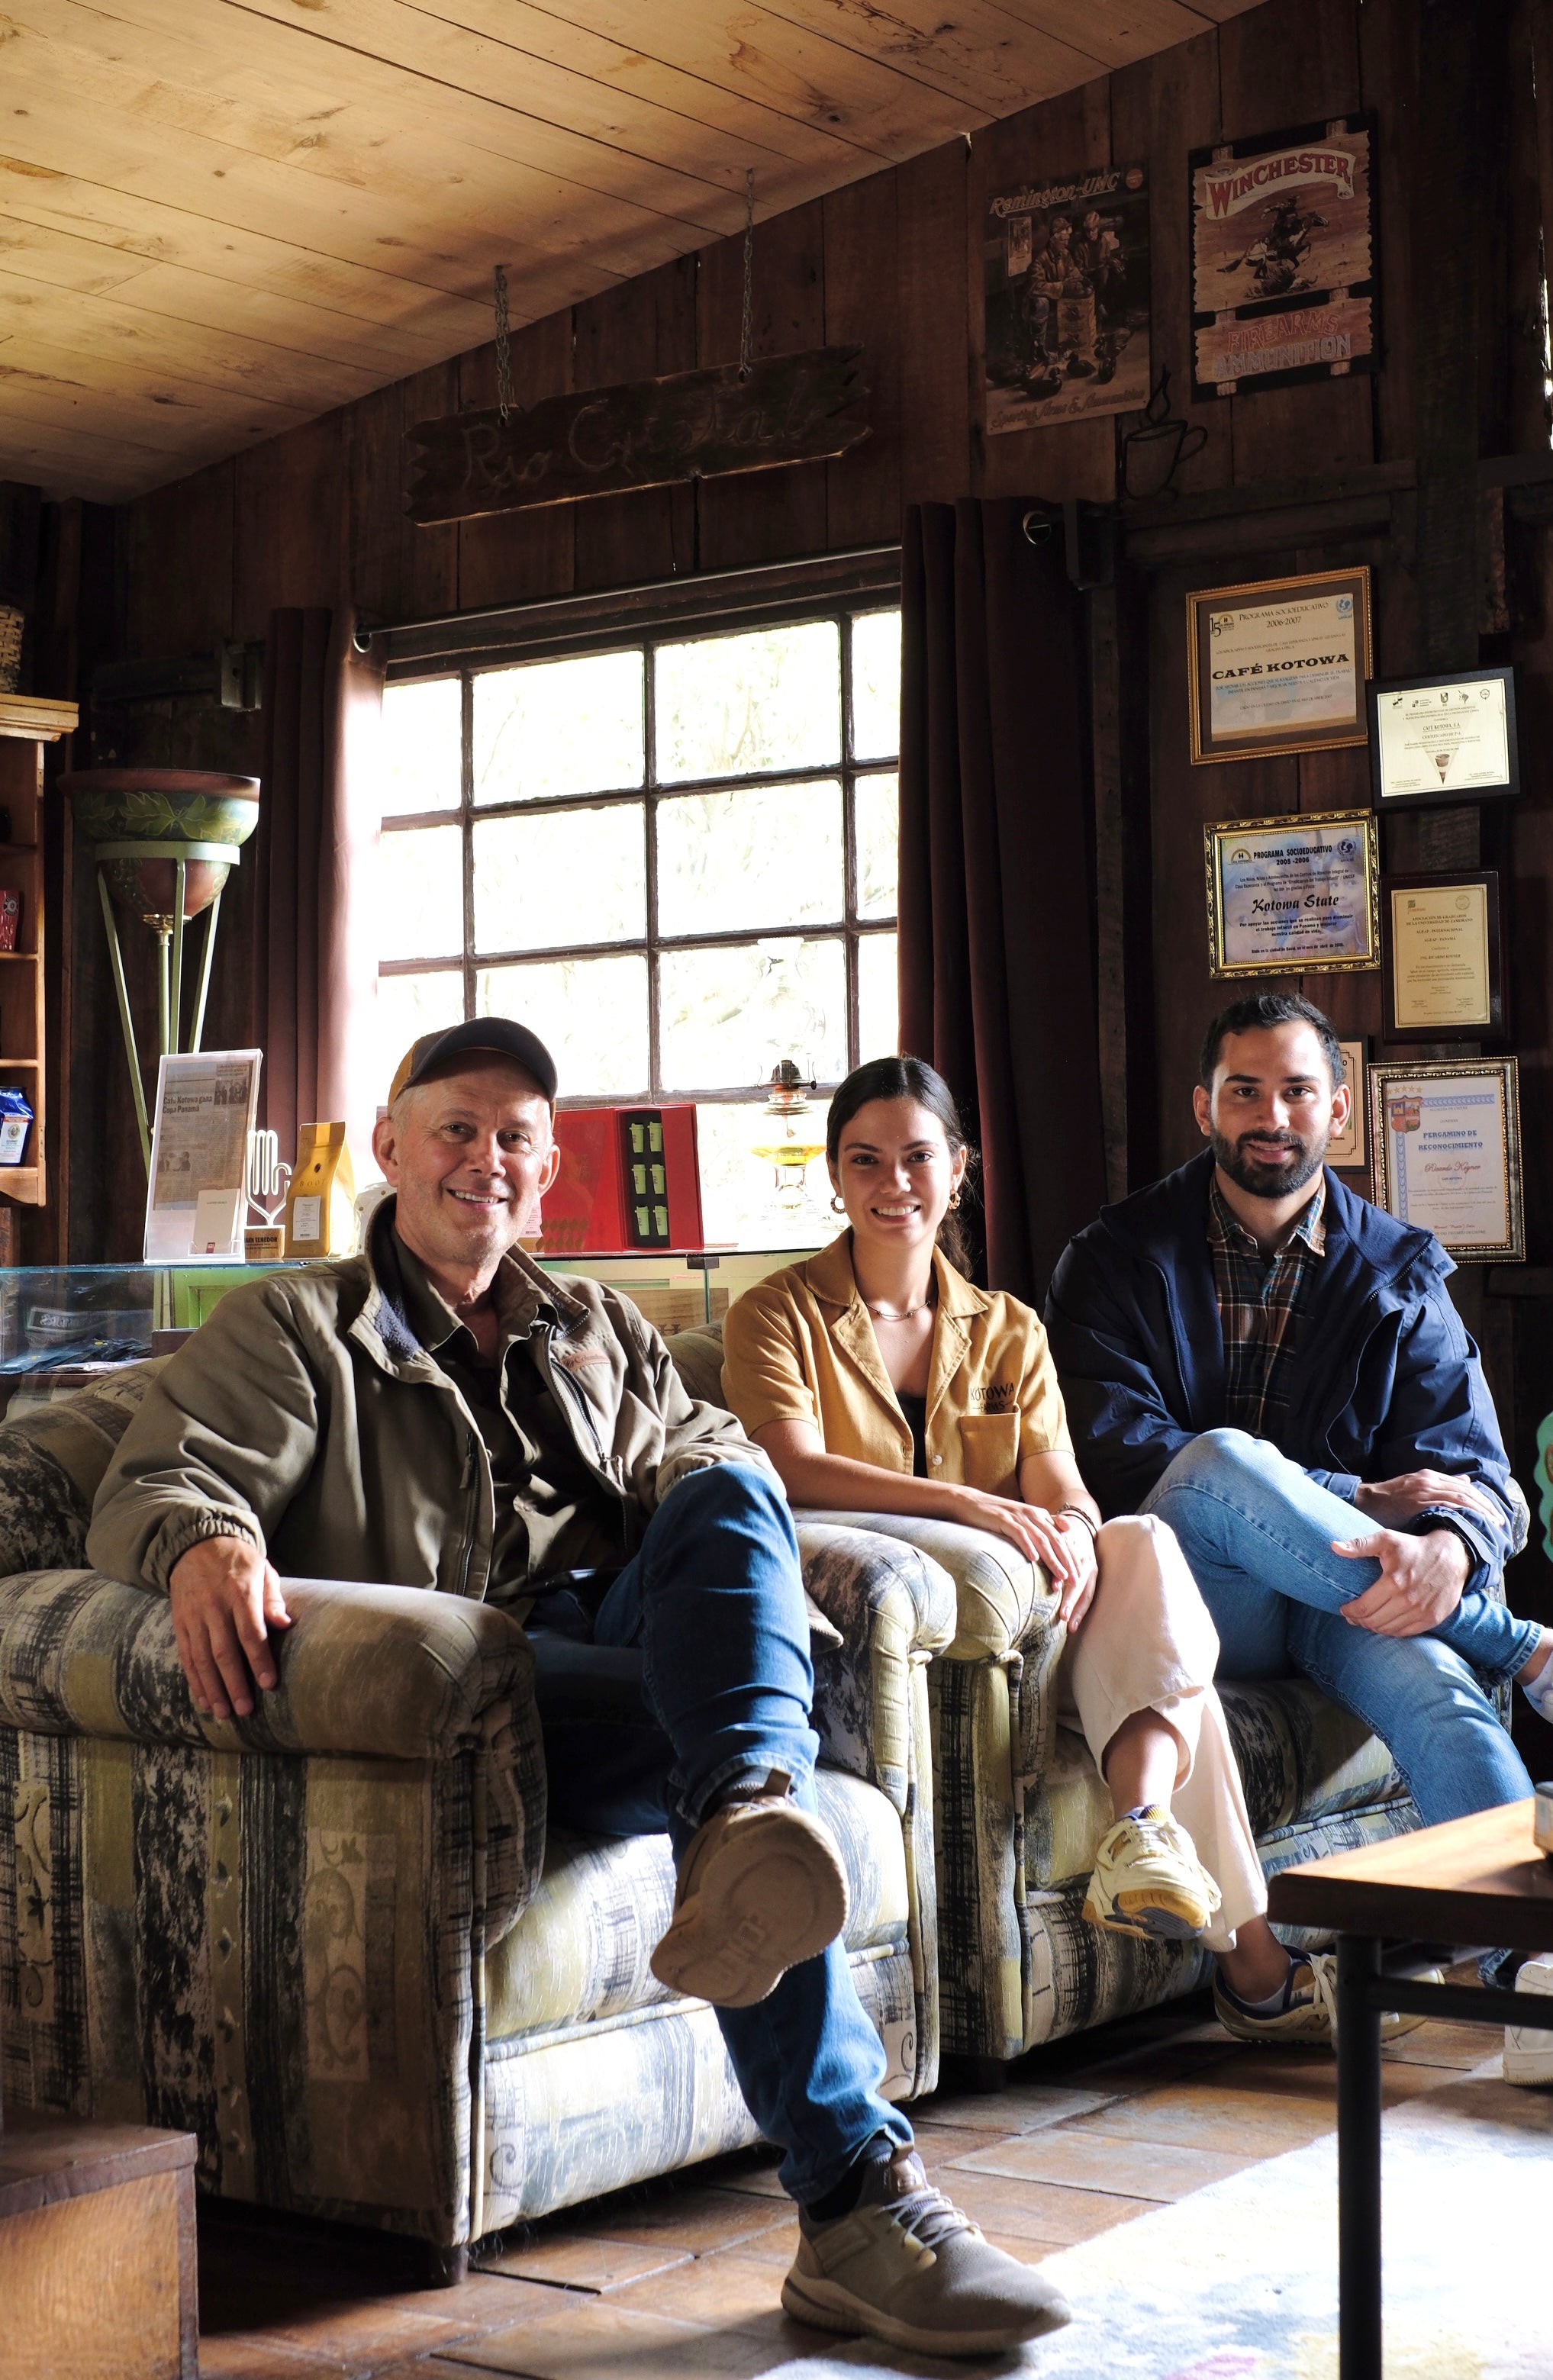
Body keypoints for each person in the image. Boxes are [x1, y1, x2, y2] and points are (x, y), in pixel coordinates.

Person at [85, 1019, 1070, 2361]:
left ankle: (747, 1804)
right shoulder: (297, 1328)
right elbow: (156, 1477)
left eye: (515, 1139)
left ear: (546, 1170)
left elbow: (712, 1452)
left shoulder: (596, 1324)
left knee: (733, 1496)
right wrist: (205, 1539)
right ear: (389, 1147)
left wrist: (706, 1516)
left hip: (624, 1634)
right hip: (480, 1680)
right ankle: (857, 2196)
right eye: (456, 1129)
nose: (484, 1160)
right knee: (727, 1767)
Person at [721, 1055, 1313, 2042]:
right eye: (865, 1160)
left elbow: (1059, 1485)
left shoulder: (1009, 1329)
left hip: (1036, 1624)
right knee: (1184, 1682)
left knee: (1138, 1539)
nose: (894, 1182)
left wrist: (1075, 1533)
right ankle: (1254, 1970)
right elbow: (792, 1468)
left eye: (918, 1157)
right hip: (898, 1639)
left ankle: (1145, 1836)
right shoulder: (772, 1315)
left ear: (960, 1169)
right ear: (834, 1176)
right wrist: (972, 1505)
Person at [1045, 990, 1553, 2050]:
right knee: (1219, 1460)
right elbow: (1114, 1451)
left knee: (1447, 1702)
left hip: (1336, 1597)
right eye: (1244, 1092)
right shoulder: (1112, 1257)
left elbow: (1480, 1480)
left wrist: (1447, 1549)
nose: (1270, 1116)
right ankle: (1519, 1644)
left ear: (1338, 1108)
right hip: (1196, 1598)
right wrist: (1358, 1497)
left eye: (1296, 1091)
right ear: (1203, 1107)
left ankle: (1530, 1977)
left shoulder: (1400, 1269)